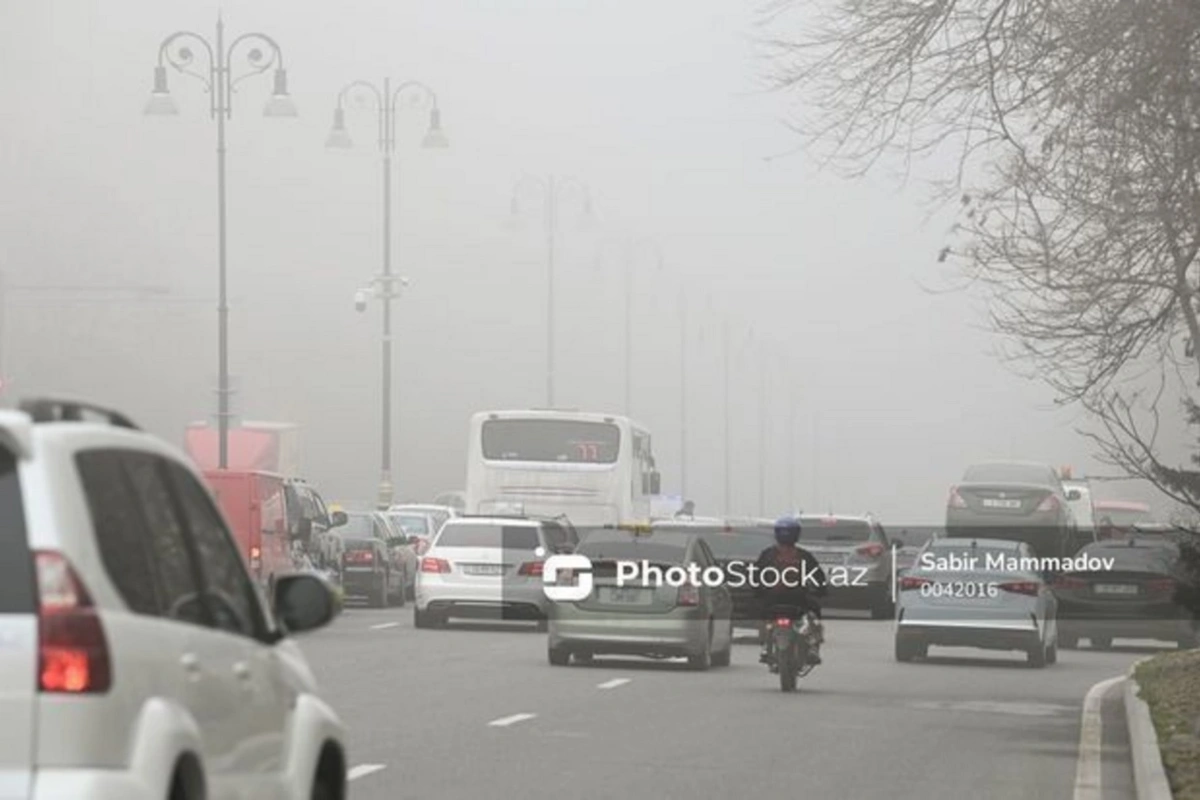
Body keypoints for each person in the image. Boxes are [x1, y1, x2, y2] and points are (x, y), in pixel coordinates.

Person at [754, 515, 827, 666]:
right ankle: (813, 647)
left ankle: (765, 646)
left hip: (773, 599)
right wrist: (821, 590)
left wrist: (758, 591)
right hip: (798, 599)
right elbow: (818, 577)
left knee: (763, 615)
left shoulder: (767, 554)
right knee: (814, 613)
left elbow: (755, 576)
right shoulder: (804, 556)